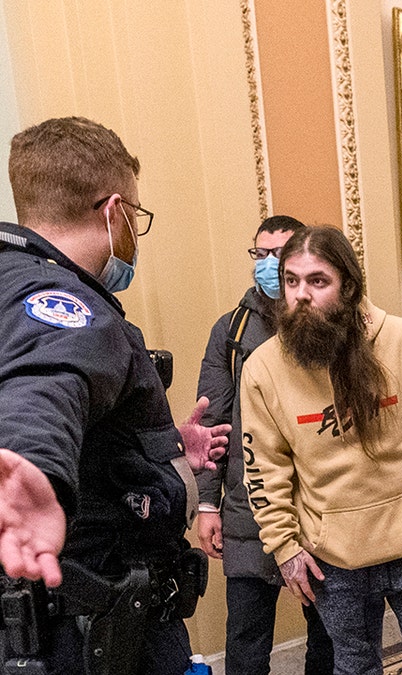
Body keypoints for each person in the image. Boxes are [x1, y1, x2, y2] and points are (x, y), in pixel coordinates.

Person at [0, 116, 230, 673]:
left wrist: (154, 447)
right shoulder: (62, 302)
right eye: (137, 216)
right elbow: (45, 383)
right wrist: (38, 468)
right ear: (115, 212)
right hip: (95, 632)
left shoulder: (10, 281)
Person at [239, 226, 402, 675]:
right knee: (354, 667)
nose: (301, 295)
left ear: (348, 286)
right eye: (291, 281)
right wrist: (285, 548)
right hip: (330, 554)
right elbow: (264, 469)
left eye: (318, 281)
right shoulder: (262, 368)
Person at [194, 215, 335, 674]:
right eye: (261, 254)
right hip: (246, 508)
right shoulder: (231, 332)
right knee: (247, 644)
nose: (270, 264)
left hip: (320, 506)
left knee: (329, 637)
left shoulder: (329, 324)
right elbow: (211, 423)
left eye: (281, 254)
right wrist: (208, 506)